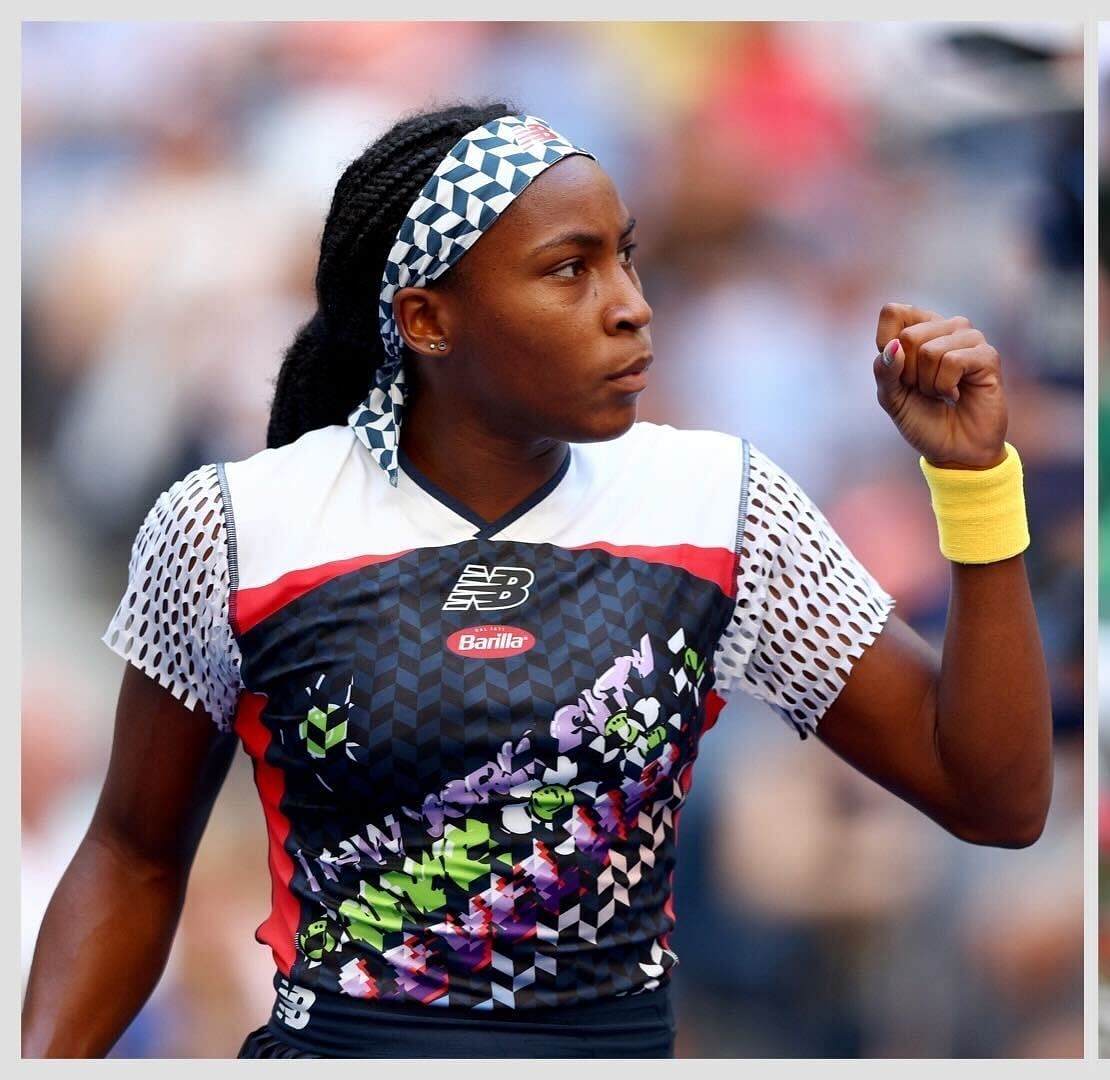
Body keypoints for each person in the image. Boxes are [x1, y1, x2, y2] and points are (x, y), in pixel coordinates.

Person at [21, 103, 1053, 1059]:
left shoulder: (726, 502)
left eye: (628, 260)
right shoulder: (232, 526)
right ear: (427, 319)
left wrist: (976, 488)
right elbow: (133, 855)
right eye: (572, 270)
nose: (633, 310)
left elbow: (993, 797)